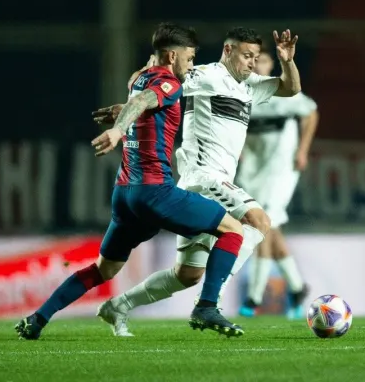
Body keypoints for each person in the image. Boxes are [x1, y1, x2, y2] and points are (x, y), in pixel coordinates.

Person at [14, 22, 247, 340]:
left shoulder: (139, 79)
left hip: (124, 195)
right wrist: (118, 129)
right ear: (170, 55)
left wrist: (123, 114)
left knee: (103, 269)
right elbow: (141, 104)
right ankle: (207, 305)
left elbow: (139, 100)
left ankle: (37, 319)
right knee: (233, 229)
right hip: (155, 193)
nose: (190, 65)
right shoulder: (168, 84)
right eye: (189, 58)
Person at [92, 27, 301, 337]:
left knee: (187, 274)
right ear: (228, 52)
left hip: (216, 183)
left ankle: (119, 305)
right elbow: (150, 84)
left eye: (255, 58)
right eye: (246, 56)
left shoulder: (250, 87)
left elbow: (290, 89)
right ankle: (209, 304)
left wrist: (286, 61)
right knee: (258, 220)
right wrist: (129, 105)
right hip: (204, 178)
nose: (252, 63)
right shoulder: (203, 76)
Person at [236, 49, 319, 319]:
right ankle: (297, 288)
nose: (257, 66)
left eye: (262, 61)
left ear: (271, 65)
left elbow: (311, 113)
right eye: (253, 61)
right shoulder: (241, 93)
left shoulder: (284, 93)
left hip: (281, 171)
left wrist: (303, 150)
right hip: (252, 172)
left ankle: (254, 297)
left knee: (263, 226)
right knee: (270, 229)